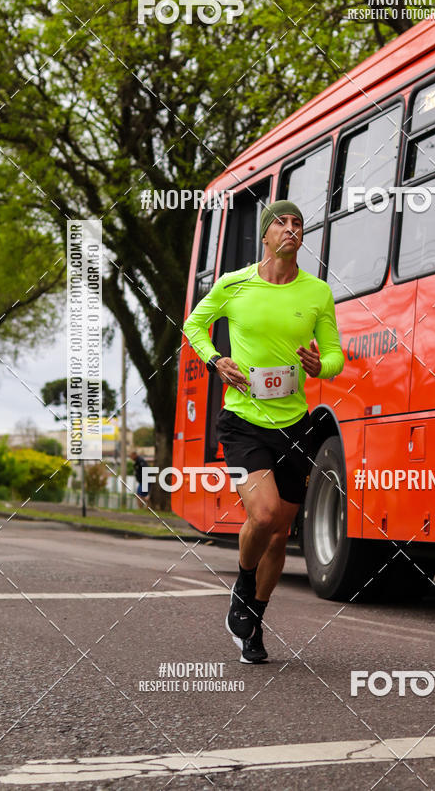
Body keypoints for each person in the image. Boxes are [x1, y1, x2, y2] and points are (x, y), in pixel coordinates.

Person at [183, 200, 344, 663]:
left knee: (281, 533)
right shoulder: (235, 284)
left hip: (294, 424)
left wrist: (320, 365)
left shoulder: (317, 293)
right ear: (266, 236)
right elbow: (195, 325)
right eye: (282, 222)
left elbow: (335, 356)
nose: (291, 228)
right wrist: (216, 360)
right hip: (244, 420)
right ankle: (243, 579)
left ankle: (253, 616)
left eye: (298, 223)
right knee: (266, 513)